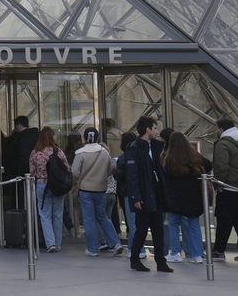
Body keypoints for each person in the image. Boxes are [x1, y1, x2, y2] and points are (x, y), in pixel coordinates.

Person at [124, 116, 172, 273]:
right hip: (145, 195)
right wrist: (136, 197)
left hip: (156, 194)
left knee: (158, 230)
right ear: (148, 130)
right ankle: (135, 259)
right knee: (142, 229)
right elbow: (132, 176)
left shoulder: (155, 147)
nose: (157, 132)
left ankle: (160, 261)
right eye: (155, 128)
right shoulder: (134, 149)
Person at [71, 127, 122, 256]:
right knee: (103, 217)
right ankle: (115, 243)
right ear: (98, 138)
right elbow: (110, 171)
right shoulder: (104, 152)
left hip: (85, 189)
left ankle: (93, 248)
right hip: (101, 189)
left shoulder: (80, 153)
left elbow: (75, 172)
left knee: (89, 219)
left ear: (84, 138)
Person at [211, 118, 238, 262]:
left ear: (221, 129)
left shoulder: (222, 144)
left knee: (224, 219)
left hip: (229, 187)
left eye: (217, 128)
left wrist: (219, 184)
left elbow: (222, 167)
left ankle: (218, 251)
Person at [163, 132, 208, 264]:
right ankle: (197, 254)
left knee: (173, 224)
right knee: (194, 225)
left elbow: (165, 176)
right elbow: (208, 164)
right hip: (194, 196)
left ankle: (176, 252)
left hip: (176, 197)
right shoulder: (194, 157)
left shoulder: (170, 159)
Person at [29, 126, 67, 252]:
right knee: (57, 214)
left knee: (45, 215)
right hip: (58, 185)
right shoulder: (58, 151)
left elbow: (32, 172)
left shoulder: (35, 153)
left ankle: (50, 244)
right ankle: (58, 243)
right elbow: (67, 168)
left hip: (42, 184)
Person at [2, 116, 39, 210]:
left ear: (18, 126)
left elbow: (23, 158)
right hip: (37, 174)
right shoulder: (36, 136)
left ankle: (23, 214)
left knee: (22, 198)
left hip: (24, 174)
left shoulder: (22, 138)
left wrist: (19, 174)